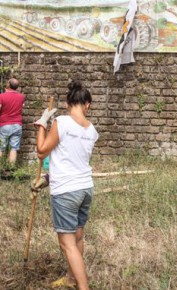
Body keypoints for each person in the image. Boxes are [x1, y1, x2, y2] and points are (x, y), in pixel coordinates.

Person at [34, 80, 99, 290]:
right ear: (87, 104)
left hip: (66, 192)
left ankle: (83, 287)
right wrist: (48, 178)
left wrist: (42, 124)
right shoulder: (92, 130)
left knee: (67, 243)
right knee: (78, 236)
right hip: (85, 188)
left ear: (67, 102)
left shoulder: (61, 122)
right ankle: (71, 278)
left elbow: (42, 151)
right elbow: (71, 158)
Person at [0, 78, 25, 165]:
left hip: (4, 124)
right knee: (14, 148)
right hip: (17, 125)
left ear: (8, 85)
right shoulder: (21, 97)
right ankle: (10, 169)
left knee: (1, 148)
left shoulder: (2, 96)